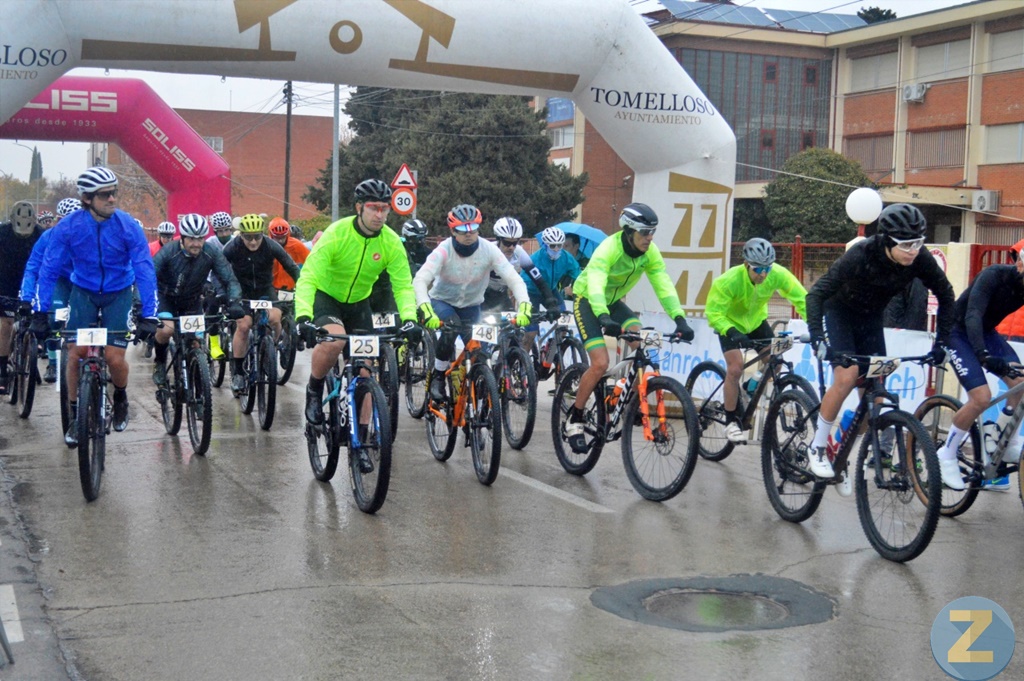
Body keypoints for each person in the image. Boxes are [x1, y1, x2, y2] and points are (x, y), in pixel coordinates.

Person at [804, 203, 954, 488]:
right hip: (839, 312)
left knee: (875, 399)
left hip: (871, 318)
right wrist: (817, 338)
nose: (913, 250)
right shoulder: (861, 254)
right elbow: (816, 295)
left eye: (918, 242)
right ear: (887, 240)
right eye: (906, 244)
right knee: (847, 376)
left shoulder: (919, 257)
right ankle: (818, 446)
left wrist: (942, 342)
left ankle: (839, 452)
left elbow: (946, 295)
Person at [32, 167, 159, 445]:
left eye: (114, 192)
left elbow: (145, 270)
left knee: (114, 358)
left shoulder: (127, 226)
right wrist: (40, 311)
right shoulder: (69, 227)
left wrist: (149, 314)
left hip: (118, 292)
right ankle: (75, 415)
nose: (112, 198)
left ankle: (121, 397)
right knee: (75, 353)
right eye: (105, 194)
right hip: (84, 292)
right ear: (87, 199)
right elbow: (49, 269)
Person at [563, 202, 694, 453]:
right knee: (600, 363)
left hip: (613, 304)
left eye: (652, 232)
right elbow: (596, 283)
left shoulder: (650, 253)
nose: (649, 237)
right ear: (629, 231)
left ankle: (631, 403)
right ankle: (575, 417)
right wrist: (602, 316)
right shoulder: (609, 248)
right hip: (589, 300)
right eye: (645, 232)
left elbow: (663, 284)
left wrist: (680, 318)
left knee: (644, 344)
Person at [294, 179, 419, 427]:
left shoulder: (391, 241)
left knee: (365, 371)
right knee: (335, 341)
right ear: (359, 207)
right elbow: (308, 276)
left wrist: (410, 319)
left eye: (384, 209)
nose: (379, 215)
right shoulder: (337, 233)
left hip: (359, 303)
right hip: (327, 297)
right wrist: (303, 317)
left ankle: (362, 433)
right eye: (373, 208)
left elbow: (403, 285)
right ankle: (314, 389)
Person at [414, 204, 532, 403]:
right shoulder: (443, 250)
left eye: (473, 229)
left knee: (479, 352)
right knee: (451, 328)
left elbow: (514, 279)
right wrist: (426, 308)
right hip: (442, 301)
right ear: (453, 231)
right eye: (462, 229)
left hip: (472, 306)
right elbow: (420, 279)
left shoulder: (489, 250)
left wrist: (525, 306)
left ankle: (472, 386)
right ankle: (438, 375)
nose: (469, 234)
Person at [933, 256, 1024, 491]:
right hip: (957, 331)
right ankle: (946, 453)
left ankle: (1002, 440)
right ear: (1020, 265)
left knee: (1020, 384)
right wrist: (983, 355)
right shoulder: (994, 275)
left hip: (986, 332)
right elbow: (973, 314)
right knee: (981, 398)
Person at [705, 238, 807, 443]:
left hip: (756, 323)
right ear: (746, 264)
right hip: (730, 324)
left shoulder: (776, 273)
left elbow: (801, 298)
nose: (763, 274)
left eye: (767, 269)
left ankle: (750, 386)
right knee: (736, 368)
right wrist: (731, 331)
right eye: (758, 269)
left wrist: (814, 326)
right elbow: (713, 313)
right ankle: (731, 422)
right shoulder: (729, 280)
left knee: (775, 361)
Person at [150, 214, 243, 385]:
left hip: (191, 301)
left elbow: (229, 279)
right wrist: (140, 305)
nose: (196, 244)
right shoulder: (169, 251)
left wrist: (234, 301)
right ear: (182, 237)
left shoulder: (210, 252)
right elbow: (148, 276)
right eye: (192, 239)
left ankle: (197, 386)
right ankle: (160, 363)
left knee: (195, 342)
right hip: (166, 298)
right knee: (166, 331)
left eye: (200, 239)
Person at [222, 213, 301, 394]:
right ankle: (238, 372)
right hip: (242, 292)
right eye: (248, 237)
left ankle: (272, 347)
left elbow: (291, 267)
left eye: (257, 237)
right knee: (244, 326)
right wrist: (222, 293)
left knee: (275, 318)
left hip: (265, 290)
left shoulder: (271, 245)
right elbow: (218, 270)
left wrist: (303, 285)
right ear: (241, 235)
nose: (253, 242)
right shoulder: (231, 247)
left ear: (262, 234)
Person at [19, 201, 74, 383]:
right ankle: (53, 363)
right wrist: (28, 298)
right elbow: (33, 268)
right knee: (54, 318)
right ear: (58, 219)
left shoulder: (87, 236)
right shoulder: (47, 237)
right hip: (58, 280)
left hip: (82, 281)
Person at [0, 201, 43, 395]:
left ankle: (30, 351)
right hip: (5, 280)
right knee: (6, 323)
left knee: (37, 317)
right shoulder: (2, 233)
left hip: (31, 279)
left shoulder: (40, 234)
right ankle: (2, 369)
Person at [521, 226, 580, 350]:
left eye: (560, 245)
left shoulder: (566, 257)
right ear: (545, 245)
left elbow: (579, 275)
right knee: (531, 333)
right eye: (553, 246)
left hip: (552, 290)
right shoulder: (535, 259)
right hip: (532, 292)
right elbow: (523, 280)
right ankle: (523, 358)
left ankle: (552, 351)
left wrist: (577, 287)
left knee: (563, 324)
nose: (557, 249)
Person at [268, 216, 309, 291]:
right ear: (271, 235)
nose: (280, 241)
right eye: (277, 238)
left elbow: (311, 263)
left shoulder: (296, 245)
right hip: (270, 288)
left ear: (287, 235)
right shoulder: (265, 246)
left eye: (283, 237)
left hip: (290, 289)